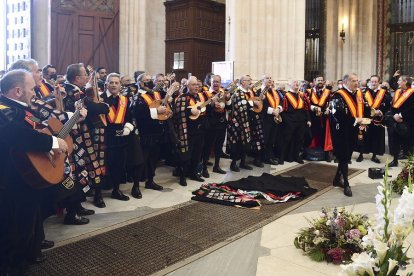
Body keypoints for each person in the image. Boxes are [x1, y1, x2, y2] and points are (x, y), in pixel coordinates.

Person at [0, 70, 68, 274]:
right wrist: (53, 142)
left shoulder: (19, 107)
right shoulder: (4, 109)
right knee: (14, 231)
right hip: (10, 182)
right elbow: (13, 133)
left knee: (26, 227)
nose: (34, 92)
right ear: (18, 90)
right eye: (31, 88)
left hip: (26, 178)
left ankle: (24, 259)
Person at [330, 73, 367, 197]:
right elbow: (338, 115)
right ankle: (346, 183)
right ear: (345, 82)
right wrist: (356, 120)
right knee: (345, 156)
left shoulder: (359, 94)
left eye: (357, 80)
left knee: (346, 156)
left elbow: (365, 108)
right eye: (353, 81)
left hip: (354, 130)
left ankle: (336, 179)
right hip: (342, 131)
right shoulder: (338, 95)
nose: (356, 83)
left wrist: (371, 115)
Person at [101, 73, 134, 201]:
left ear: (120, 85)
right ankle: (98, 194)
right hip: (104, 138)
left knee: (118, 166)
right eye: (111, 82)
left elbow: (130, 117)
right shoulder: (100, 99)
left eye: (116, 83)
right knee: (102, 167)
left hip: (120, 138)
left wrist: (127, 127)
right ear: (106, 84)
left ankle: (116, 190)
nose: (114, 85)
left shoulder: (124, 100)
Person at [173, 76, 207, 185]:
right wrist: (189, 112)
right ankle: (182, 176)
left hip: (199, 130)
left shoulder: (200, 97)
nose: (196, 87)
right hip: (187, 131)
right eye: (193, 84)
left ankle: (193, 173)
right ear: (188, 86)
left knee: (197, 153)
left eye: (197, 84)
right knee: (186, 154)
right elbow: (177, 114)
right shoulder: (182, 97)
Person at [356, 75, 391, 163]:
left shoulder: (385, 93)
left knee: (376, 137)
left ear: (379, 82)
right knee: (363, 137)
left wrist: (381, 111)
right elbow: (360, 105)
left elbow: (388, 107)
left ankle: (374, 155)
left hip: (378, 119)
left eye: (375, 82)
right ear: (369, 82)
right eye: (372, 81)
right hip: (366, 118)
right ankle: (361, 154)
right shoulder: (364, 92)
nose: (374, 83)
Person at [201, 74, 228, 177]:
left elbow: (229, 106)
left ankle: (217, 166)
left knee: (219, 145)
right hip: (211, 123)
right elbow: (202, 109)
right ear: (210, 83)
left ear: (220, 83)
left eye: (218, 82)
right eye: (214, 82)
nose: (216, 83)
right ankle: (204, 168)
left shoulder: (223, 93)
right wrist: (212, 105)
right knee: (207, 146)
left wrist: (228, 99)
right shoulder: (205, 93)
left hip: (222, 123)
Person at [279, 80, 311, 165]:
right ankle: (282, 157)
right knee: (286, 139)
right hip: (290, 121)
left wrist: (308, 119)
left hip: (301, 121)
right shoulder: (286, 96)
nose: (296, 84)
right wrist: (287, 121)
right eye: (294, 83)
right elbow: (284, 110)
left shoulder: (302, 95)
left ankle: (296, 156)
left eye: (297, 83)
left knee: (299, 140)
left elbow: (306, 108)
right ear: (289, 85)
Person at [227, 75, 253, 172]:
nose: (250, 81)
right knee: (236, 143)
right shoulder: (237, 92)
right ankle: (233, 163)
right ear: (242, 82)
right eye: (248, 80)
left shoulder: (249, 92)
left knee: (245, 142)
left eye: (250, 80)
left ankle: (243, 162)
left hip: (246, 122)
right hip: (236, 122)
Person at [388, 75, 414, 167]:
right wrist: (394, 115)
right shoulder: (398, 91)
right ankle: (395, 160)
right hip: (395, 120)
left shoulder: (412, 92)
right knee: (395, 141)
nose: (398, 82)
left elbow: (412, 108)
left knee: (408, 142)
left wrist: (400, 115)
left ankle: (410, 164)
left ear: (405, 81)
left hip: (408, 121)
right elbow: (394, 105)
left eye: (399, 80)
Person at [306, 75, 332, 162]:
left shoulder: (328, 92)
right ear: (314, 81)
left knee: (324, 134)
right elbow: (306, 104)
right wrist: (314, 107)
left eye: (321, 80)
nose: (320, 82)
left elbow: (330, 103)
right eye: (318, 80)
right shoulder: (309, 92)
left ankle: (325, 154)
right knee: (312, 134)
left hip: (324, 116)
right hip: (312, 116)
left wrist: (329, 109)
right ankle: (310, 152)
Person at [257, 74, 281, 165]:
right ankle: (264, 157)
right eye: (267, 78)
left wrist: (278, 109)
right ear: (262, 80)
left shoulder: (274, 91)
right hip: (265, 118)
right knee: (265, 139)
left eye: (271, 78)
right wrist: (272, 111)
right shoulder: (259, 91)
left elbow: (281, 101)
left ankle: (270, 156)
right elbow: (259, 105)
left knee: (272, 139)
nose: (270, 79)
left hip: (275, 118)